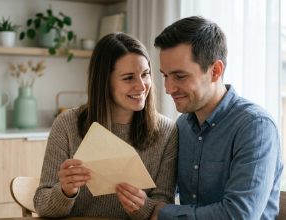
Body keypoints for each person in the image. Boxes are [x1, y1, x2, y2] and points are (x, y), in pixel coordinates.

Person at [34, 32, 177, 219]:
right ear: (104, 81)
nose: (141, 86)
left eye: (145, 74)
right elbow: (42, 205)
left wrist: (143, 206)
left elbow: (165, 206)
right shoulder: (67, 124)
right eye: (128, 78)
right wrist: (65, 192)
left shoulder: (167, 131)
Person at [153, 16, 283, 219]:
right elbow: (163, 189)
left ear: (215, 71)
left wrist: (162, 214)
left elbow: (239, 215)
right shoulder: (182, 126)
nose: (168, 88)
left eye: (180, 76)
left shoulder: (255, 127)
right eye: (165, 75)